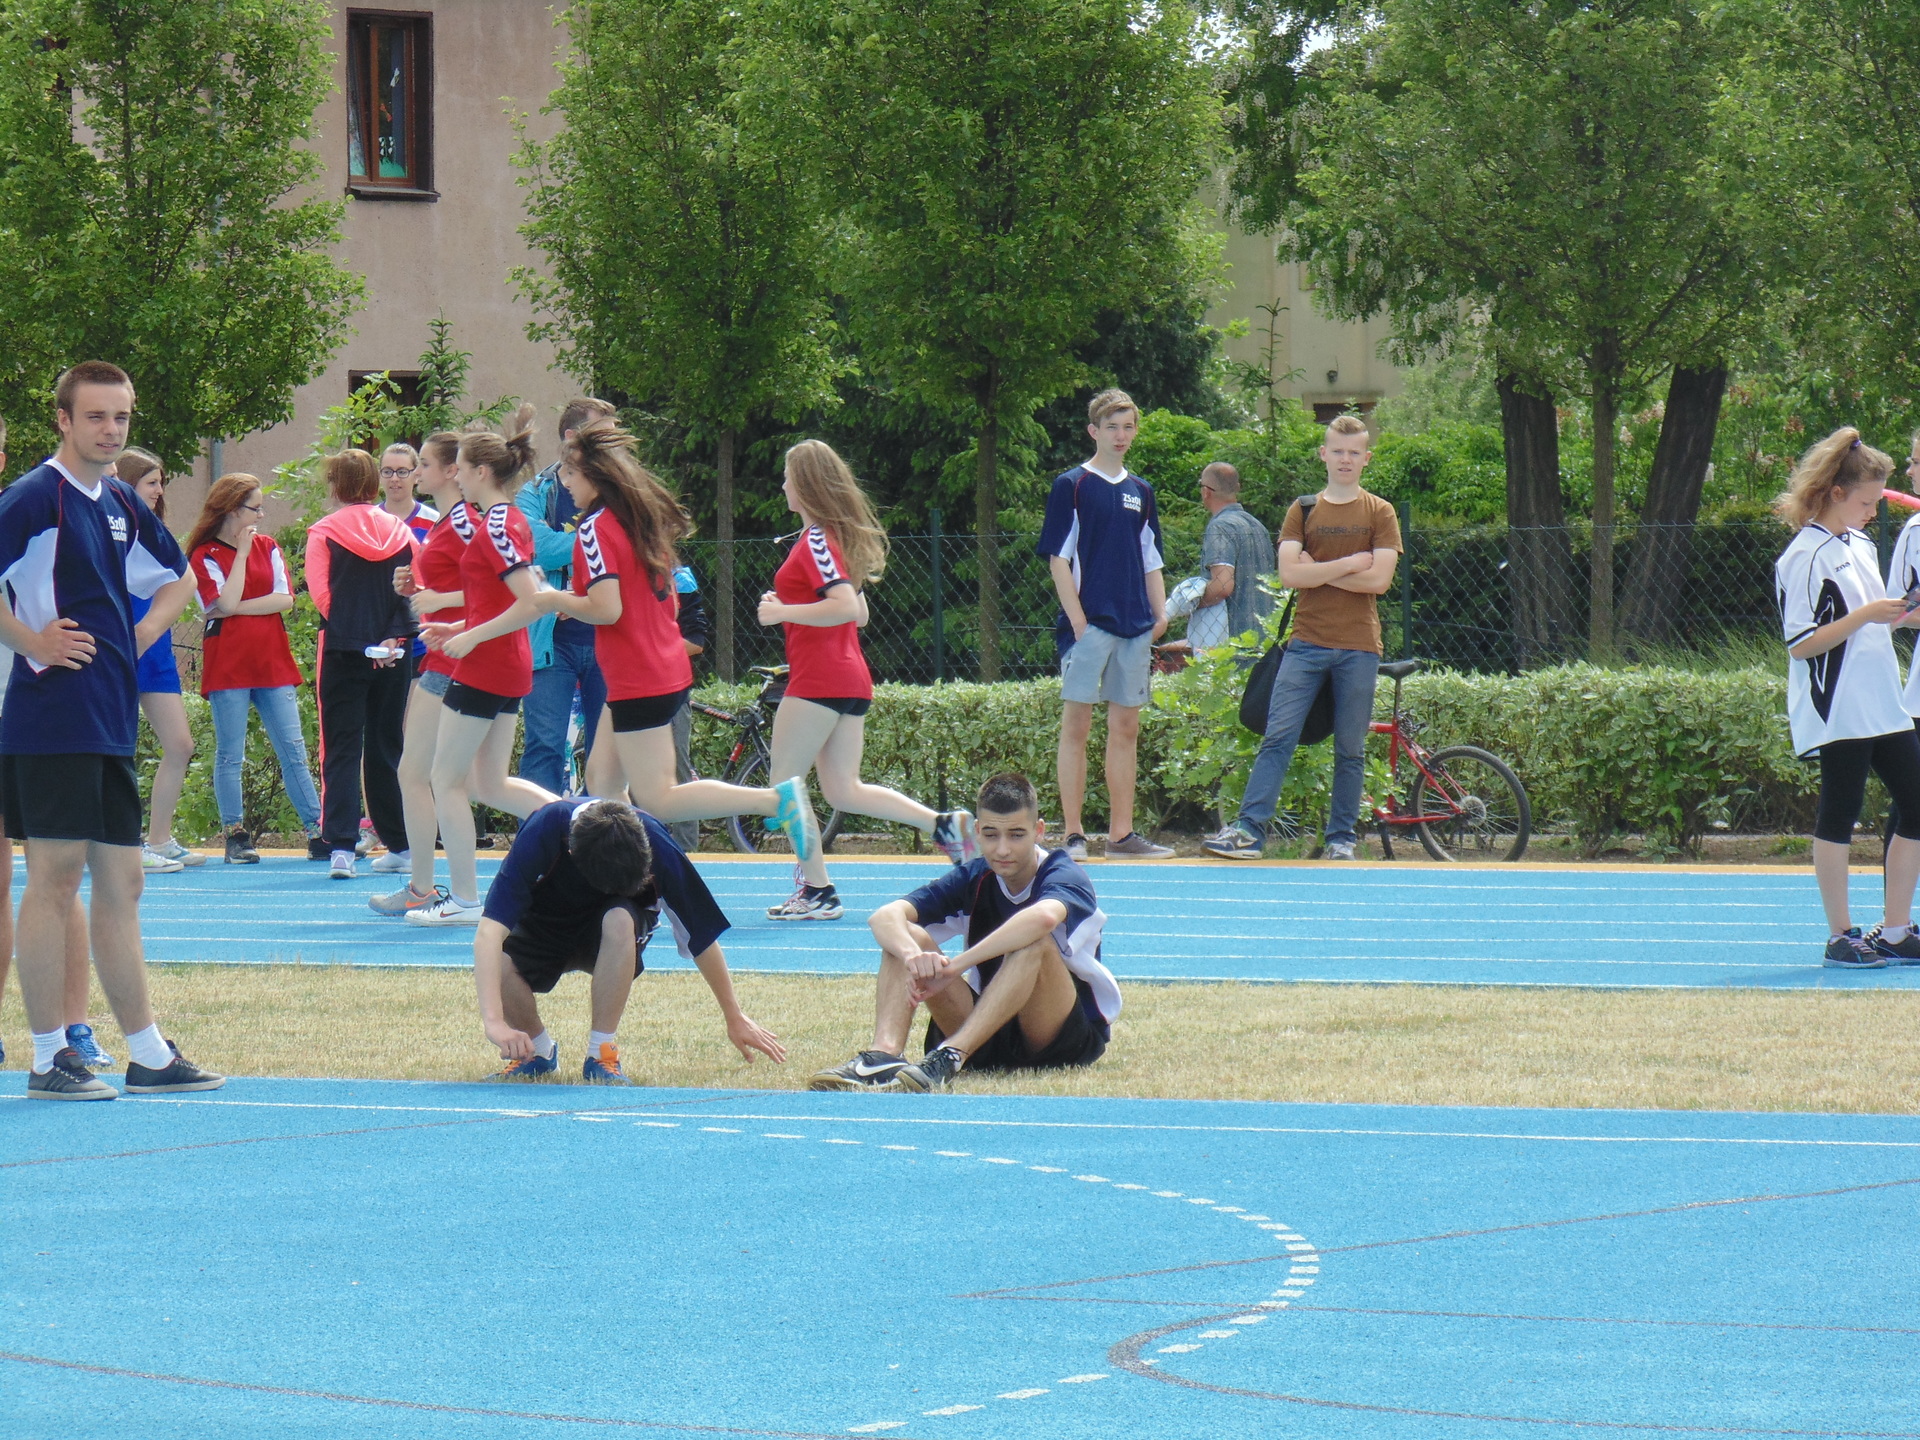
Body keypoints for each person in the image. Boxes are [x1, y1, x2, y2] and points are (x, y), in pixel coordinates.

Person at [0, 360, 221, 1099]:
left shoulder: (122, 498)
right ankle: (46, 1056)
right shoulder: (34, 497)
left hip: (106, 714)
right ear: (63, 420)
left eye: (120, 417)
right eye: (95, 416)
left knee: (123, 881)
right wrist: (33, 643)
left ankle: (149, 1052)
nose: (110, 429)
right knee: (55, 877)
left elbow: (177, 576)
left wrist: (138, 634)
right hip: (49, 716)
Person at [526, 422, 820, 866]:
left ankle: (772, 801)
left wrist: (551, 598)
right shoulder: (637, 521)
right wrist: (578, 603)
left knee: (659, 798)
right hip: (654, 666)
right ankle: (626, 876)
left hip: (638, 672)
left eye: (569, 475)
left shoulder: (595, 529)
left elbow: (607, 609)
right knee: (603, 783)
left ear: (594, 476)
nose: (564, 484)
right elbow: (631, 600)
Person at [755, 439, 977, 920]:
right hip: (849, 678)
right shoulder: (833, 539)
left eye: (789, 477)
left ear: (807, 484)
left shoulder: (816, 539)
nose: (783, 485)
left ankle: (817, 891)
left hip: (818, 679)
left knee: (783, 789)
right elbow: (857, 614)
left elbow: (843, 608)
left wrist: (781, 611)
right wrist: (797, 607)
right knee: (842, 790)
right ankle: (943, 825)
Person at [810, 772, 1118, 1093]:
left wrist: (954, 967)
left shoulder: (1063, 873)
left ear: (1038, 831)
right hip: (988, 1032)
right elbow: (884, 917)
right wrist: (914, 957)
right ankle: (882, 1056)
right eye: (990, 834)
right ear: (976, 832)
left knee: (1036, 943)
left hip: (1057, 1036)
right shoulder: (974, 876)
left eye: (1016, 835)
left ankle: (950, 1056)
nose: (1002, 849)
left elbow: (1041, 919)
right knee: (905, 935)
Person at [475, 796, 786, 1083]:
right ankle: (536, 1051)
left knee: (619, 918)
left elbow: (701, 936)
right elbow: (488, 932)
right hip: (548, 923)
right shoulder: (543, 829)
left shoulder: (657, 843)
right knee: (497, 956)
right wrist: (494, 1023)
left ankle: (602, 1052)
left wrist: (734, 1015)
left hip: (614, 928)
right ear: (572, 854)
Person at [1204, 415, 1401, 862]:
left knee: (1349, 749)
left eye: (1354, 452)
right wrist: (1352, 563)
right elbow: (1290, 573)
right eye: (1338, 451)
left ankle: (1341, 840)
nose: (1345, 459)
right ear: (1324, 455)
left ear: (1366, 458)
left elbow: (1380, 581)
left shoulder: (1380, 511)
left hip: (1360, 648)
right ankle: (1249, 832)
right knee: (1278, 737)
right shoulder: (1304, 509)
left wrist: (1321, 571)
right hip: (1305, 644)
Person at [1775, 429, 1920, 968]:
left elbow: (1876, 614)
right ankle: (1841, 935)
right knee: (1840, 813)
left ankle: (1897, 929)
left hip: (1882, 703)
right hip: (1836, 708)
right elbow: (1802, 645)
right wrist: (1865, 615)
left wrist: (1899, 609)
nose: (1870, 513)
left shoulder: (1857, 543)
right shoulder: (1804, 555)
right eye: (1864, 502)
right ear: (1836, 493)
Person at [413, 405, 562, 925]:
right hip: (502, 661)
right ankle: (579, 822)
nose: (453, 473)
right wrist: (458, 627)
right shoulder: (506, 520)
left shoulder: (498, 523)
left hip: (488, 665)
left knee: (445, 780)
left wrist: (469, 635)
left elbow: (529, 600)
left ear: (479, 473)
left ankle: (463, 897)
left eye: (458, 464)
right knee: (489, 785)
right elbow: (505, 598)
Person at [0, 411, 109, 1072]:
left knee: (54, 871)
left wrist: (39, 645)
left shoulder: (25, 505)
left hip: (28, 713)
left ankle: (72, 1028)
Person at [1038, 389, 1173, 862]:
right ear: (1094, 431)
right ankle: (1074, 834)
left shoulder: (1142, 491)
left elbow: (1150, 556)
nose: (1121, 435)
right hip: (1089, 626)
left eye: (1129, 426)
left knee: (1126, 727)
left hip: (1136, 627)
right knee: (1076, 725)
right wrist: (1078, 621)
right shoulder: (1071, 485)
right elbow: (1059, 557)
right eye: (1112, 427)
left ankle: (1121, 835)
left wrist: (1161, 617)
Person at [184, 473, 323, 866]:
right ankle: (236, 834)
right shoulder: (205, 555)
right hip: (229, 661)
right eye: (255, 507)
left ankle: (317, 830)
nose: (261, 513)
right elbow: (220, 601)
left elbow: (284, 600)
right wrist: (241, 558)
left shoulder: (270, 545)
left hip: (271, 658)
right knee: (231, 754)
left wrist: (235, 608)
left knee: (293, 749)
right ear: (231, 509)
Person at [304, 449, 419, 879]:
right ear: (374, 483)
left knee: (340, 746)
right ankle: (400, 842)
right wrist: (389, 637)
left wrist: (360, 638)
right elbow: (414, 587)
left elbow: (321, 595)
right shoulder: (402, 531)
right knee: (388, 744)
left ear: (335, 485)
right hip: (396, 651)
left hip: (342, 650)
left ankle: (342, 846)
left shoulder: (324, 532)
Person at [372, 432, 469, 915]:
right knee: (432, 775)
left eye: (422, 464)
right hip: (443, 655)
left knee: (452, 780)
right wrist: (415, 584)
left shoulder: (466, 521)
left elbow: (507, 591)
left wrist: (440, 603)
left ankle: (460, 894)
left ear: (452, 470)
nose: (413, 473)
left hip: (462, 659)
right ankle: (432, 889)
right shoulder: (453, 522)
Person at [517, 397, 617, 797]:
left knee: (607, 754)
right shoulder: (536, 491)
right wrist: (595, 540)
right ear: (573, 439)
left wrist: (568, 546)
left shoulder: (620, 492)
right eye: (602, 435)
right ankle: (537, 840)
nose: (612, 445)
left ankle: (604, 844)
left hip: (607, 639)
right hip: (550, 644)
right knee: (544, 745)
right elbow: (535, 547)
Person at [111, 449, 202, 871]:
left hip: (156, 644)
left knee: (180, 744)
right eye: (152, 482)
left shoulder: (154, 530)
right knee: (118, 746)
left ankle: (159, 839)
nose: (160, 490)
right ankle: (125, 843)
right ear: (128, 483)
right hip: (123, 639)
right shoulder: (109, 527)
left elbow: (180, 580)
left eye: (161, 481)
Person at [1194, 462, 1277, 651]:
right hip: (1264, 639)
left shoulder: (1220, 527)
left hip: (1231, 642)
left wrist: (1190, 603)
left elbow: (1223, 585)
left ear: (1206, 492)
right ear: (1237, 488)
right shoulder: (1258, 527)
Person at [669, 562, 709, 853]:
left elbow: (696, 642)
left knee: (677, 767)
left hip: (670, 687)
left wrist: (649, 646)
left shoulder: (680, 579)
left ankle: (685, 848)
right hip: (626, 686)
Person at [379, 443, 439, 541]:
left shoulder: (435, 523)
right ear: (379, 476)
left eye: (402, 472)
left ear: (416, 476)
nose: (394, 478)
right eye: (387, 471)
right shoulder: (367, 522)